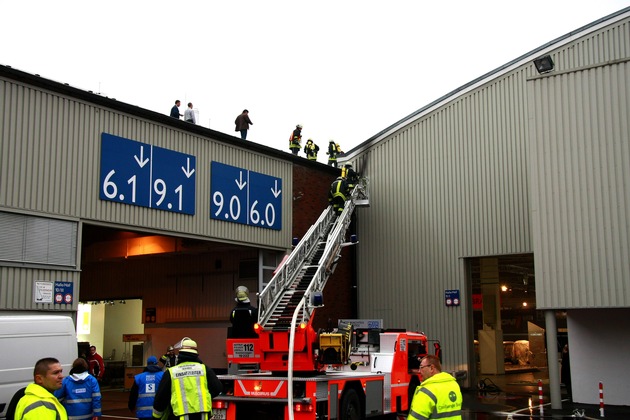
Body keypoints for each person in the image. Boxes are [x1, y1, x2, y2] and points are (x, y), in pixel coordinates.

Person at [152, 337, 223, 420]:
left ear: (180, 353)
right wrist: (204, 396)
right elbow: (218, 388)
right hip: (203, 416)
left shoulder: (172, 372)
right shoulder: (205, 369)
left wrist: (156, 417)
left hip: (179, 416)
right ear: (196, 354)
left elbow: (161, 398)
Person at [409, 355, 462, 420]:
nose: (419, 371)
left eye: (421, 367)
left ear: (431, 368)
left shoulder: (426, 391)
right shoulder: (454, 385)